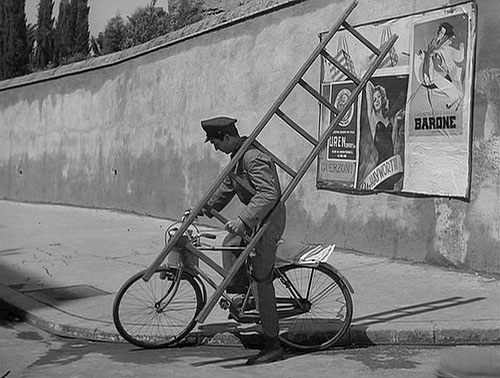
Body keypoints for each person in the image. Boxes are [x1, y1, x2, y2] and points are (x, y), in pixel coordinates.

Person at [199, 116, 286, 365]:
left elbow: (269, 193)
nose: (217, 149)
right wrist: (206, 206)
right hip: (257, 217)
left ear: (227, 137)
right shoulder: (238, 157)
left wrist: (244, 220)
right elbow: (227, 186)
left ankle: (273, 345)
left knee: (261, 280)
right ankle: (239, 296)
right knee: (231, 242)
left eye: (217, 144)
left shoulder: (252, 157)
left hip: (268, 220)